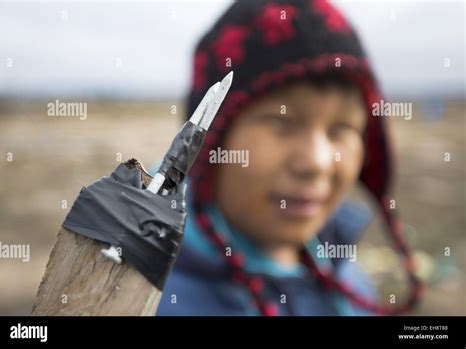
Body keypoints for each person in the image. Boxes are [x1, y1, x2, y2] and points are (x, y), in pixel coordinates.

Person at [156, 0, 422, 316]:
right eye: (281, 123)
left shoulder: (348, 279)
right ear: (208, 144)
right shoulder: (146, 298)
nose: (316, 163)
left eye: (342, 128)